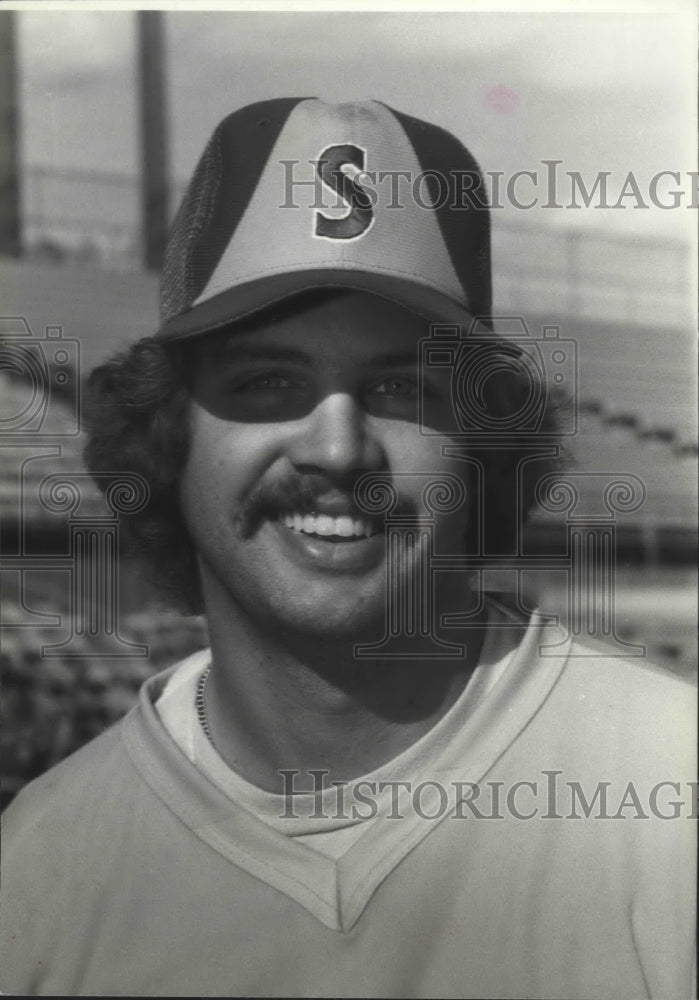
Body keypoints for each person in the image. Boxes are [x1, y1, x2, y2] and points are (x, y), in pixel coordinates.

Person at [1, 98, 695, 999]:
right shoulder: (39, 875)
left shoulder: (670, 789)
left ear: (481, 451)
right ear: (165, 438)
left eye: (401, 387)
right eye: (268, 380)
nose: (336, 448)